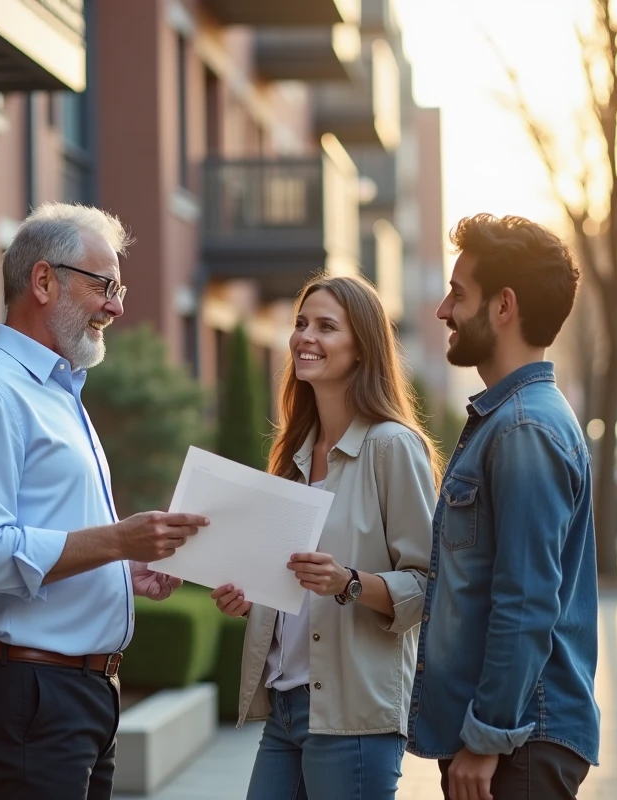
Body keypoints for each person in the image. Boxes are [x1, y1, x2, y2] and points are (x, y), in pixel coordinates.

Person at [0, 202, 209, 800]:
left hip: (75, 696)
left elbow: (44, 538)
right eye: (104, 286)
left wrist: (122, 569)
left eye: (119, 287)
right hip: (30, 693)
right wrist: (119, 539)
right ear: (43, 281)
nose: (118, 306)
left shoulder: (56, 393)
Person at [211, 275, 439, 799]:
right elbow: (290, 589)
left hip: (352, 717)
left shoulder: (391, 447)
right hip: (285, 706)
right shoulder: (293, 457)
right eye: (300, 324)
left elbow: (430, 586)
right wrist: (251, 600)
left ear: (362, 349)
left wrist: (348, 582)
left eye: (326, 326)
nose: (304, 337)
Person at [407, 213, 600, 800]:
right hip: (514, 738)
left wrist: (487, 737)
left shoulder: (523, 430)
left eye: (458, 294)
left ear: (503, 307)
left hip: (517, 742)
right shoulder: (514, 421)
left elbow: (524, 599)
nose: (444, 310)